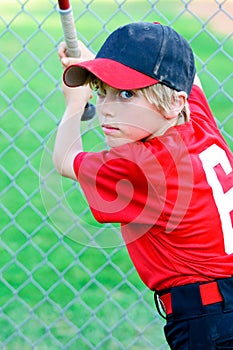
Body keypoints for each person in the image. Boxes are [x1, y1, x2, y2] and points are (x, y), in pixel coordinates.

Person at [54, 22, 233, 349]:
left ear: (175, 102)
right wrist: (100, 64)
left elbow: (66, 160)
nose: (106, 108)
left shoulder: (144, 166)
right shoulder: (198, 124)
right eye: (101, 91)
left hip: (208, 326)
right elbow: (190, 79)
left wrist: (74, 105)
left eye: (126, 94)